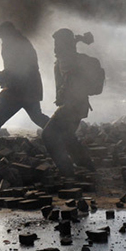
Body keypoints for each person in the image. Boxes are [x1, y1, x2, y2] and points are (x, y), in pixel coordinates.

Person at [0, 21, 49, 152]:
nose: (2, 40)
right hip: (27, 89)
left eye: (2, 36)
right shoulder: (19, 42)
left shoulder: (17, 44)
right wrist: (5, 75)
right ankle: (64, 135)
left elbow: (21, 68)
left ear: (8, 33)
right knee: (37, 117)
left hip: (19, 90)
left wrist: (5, 76)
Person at [41, 28, 101, 177]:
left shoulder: (68, 60)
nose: (55, 48)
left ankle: (66, 170)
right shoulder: (68, 58)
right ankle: (86, 166)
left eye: (57, 44)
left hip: (71, 107)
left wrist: (77, 40)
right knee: (67, 137)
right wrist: (78, 40)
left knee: (48, 135)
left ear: (64, 44)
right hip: (78, 106)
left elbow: (71, 76)